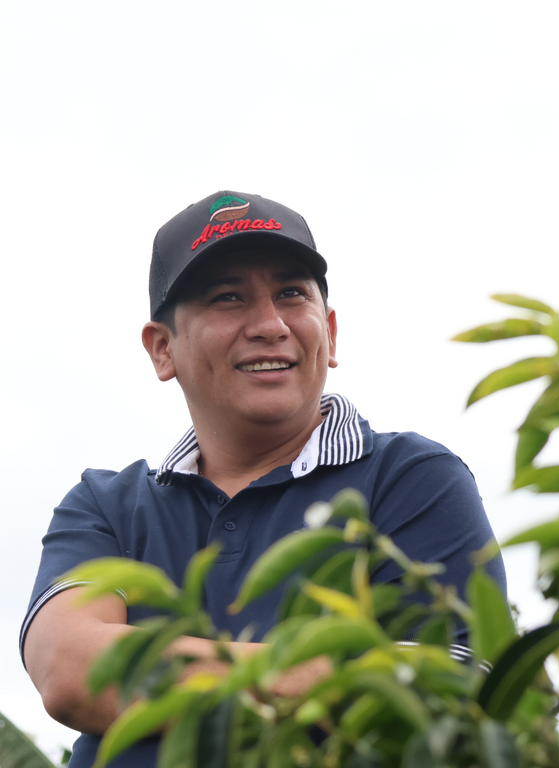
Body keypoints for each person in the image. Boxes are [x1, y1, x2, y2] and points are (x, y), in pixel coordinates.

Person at [20, 191, 507, 767]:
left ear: (329, 331)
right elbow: (71, 671)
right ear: (161, 349)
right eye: (228, 298)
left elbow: (441, 686)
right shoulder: (106, 506)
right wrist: (339, 669)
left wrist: (151, 672)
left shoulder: (411, 479)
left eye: (291, 295)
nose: (270, 325)